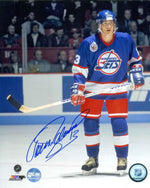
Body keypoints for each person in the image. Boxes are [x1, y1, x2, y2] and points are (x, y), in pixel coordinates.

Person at [70, 10, 144, 175]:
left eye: (110, 23)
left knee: (119, 122)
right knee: (89, 124)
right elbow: (79, 70)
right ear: (99, 25)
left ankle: (122, 158)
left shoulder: (125, 39)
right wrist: (78, 88)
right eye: (105, 23)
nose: (108, 26)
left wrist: (136, 73)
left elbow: (135, 60)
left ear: (114, 24)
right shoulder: (88, 43)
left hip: (117, 88)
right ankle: (92, 159)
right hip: (93, 89)